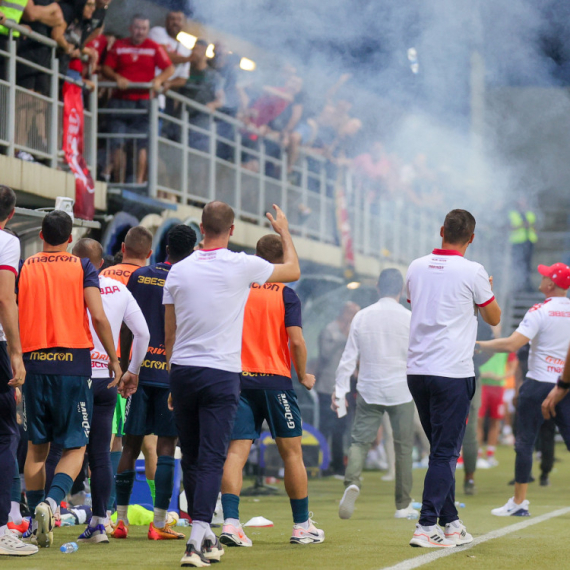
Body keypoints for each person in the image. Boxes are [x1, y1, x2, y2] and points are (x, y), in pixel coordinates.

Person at [163, 201, 301, 566]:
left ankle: (206, 535)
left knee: (192, 458)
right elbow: (293, 270)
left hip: (182, 371)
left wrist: (173, 380)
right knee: (211, 458)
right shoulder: (242, 264)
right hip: (220, 373)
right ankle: (195, 541)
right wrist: (283, 230)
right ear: (233, 229)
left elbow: (170, 331)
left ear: (201, 227)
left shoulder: (177, 270)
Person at [18, 211, 122, 548]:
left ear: (41, 233)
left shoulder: (26, 266)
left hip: (34, 362)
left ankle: (35, 520)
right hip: (73, 363)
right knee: (76, 445)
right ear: (69, 237)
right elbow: (98, 316)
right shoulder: (82, 267)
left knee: (37, 447)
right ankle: (52, 503)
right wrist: (114, 359)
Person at [219, 234, 323, 548]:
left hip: (240, 381)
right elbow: (296, 341)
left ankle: (231, 523)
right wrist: (303, 374)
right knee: (292, 454)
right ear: (282, 261)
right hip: (275, 381)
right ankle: (302, 526)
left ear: (256, 257)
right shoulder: (286, 294)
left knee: (235, 454)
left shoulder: (238, 292)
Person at [406, 209, 501, 548]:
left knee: (439, 451)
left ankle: (451, 522)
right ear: (471, 238)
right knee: (446, 453)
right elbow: (494, 316)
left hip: (417, 370)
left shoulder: (416, 265)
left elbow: (417, 302)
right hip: (451, 371)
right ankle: (426, 524)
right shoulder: (473, 270)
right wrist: (483, 292)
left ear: (441, 230)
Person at [114, 225, 197, 541]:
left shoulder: (140, 276)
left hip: (139, 371)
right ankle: (159, 523)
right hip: (170, 373)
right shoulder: (188, 281)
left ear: (163, 247)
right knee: (165, 447)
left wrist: (124, 366)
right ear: (192, 251)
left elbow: (127, 325)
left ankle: (120, 522)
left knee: (130, 445)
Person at [70, 238, 150, 544]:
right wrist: (132, 370)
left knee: (59, 449)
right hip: (107, 378)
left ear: (73, 260)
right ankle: (100, 522)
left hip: (73, 376)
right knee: (101, 453)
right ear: (101, 263)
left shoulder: (66, 286)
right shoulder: (119, 289)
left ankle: (43, 512)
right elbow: (143, 333)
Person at [478, 263, 570, 517]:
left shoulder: (540, 310)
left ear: (550, 284)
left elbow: (512, 344)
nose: (539, 277)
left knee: (525, 443)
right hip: (565, 384)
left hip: (538, 384)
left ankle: (519, 503)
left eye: (544, 275)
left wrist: (478, 344)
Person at [334, 269, 418, 520]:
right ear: (401, 291)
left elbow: (348, 358)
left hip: (369, 389)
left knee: (359, 441)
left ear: (378, 288)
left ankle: (352, 481)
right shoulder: (409, 318)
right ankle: (403, 505)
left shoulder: (362, 316)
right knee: (403, 448)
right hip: (401, 390)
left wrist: (339, 392)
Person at [100, 226, 157, 514]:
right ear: (149, 253)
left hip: (103, 365)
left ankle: (104, 507)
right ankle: (164, 510)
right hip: (141, 366)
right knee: (150, 442)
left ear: (123, 247)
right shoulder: (154, 278)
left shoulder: (103, 276)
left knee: (105, 438)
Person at [0, 186, 37, 556]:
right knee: (4, 436)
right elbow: (4, 297)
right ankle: (1, 530)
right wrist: (16, 352)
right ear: (11, 215)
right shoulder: (7, 243)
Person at [102, 14, 174, 184]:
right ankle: (118, 182)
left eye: (143, 29)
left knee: (142, 144)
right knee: (117, 143)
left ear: (148, 30)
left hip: (143, 104)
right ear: (130, 28)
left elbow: (169, 69)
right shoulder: (119, 45)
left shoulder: (154, 47)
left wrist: (158, 80)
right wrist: (117, 77)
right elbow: (106, 68)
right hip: (120, 102)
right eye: (137, 28)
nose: (140, 32)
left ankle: (140, 183)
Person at [315, 302, 360, 476]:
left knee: (340, 426)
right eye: (351, 312)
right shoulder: (330, 330)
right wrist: (343, 337)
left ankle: (338, 465)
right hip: (327, 386)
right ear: (344, 312)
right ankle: (322, 465)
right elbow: (325, 354)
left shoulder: (354, 332)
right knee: (326, 426)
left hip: (344, 387)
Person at [179, 39, 224, 152]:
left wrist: (213, 105)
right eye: (193, 49)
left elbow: (222, 99)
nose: (193, 52)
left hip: (200, 122)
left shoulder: (213, 76)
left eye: (197, 49)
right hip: (182, 119)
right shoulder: (185, 71)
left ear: (204, 51)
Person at [509, 199, 537, 292]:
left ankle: (528, 285)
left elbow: (534, 225)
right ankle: (518, 285)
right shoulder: (512, 214)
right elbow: (507, 227)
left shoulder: (529, 213)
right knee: (518, 264)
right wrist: (521, 225)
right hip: (517, 242)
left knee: (528, 264)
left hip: (529, 241)